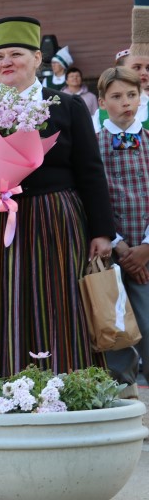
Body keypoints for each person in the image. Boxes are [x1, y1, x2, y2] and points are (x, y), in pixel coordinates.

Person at [0, 16, 114, 392]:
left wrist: (102, 231)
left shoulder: (68, 107)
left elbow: (90, 171)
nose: (6, 62)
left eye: (15, 54)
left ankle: (66, 387)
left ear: (37, 58)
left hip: (56, 221)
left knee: (59, 301)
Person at [93, 66, 149, 398]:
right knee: (114, 323)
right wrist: (119, 244)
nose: (125, 102)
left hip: (146, 250)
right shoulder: (93, 145)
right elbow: (91, 196)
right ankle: (123, 391)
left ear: (141, 98)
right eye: (116, 96)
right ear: (102, 102)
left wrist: (145, 247)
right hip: (110, 251)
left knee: (147, 320)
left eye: (131, 95)